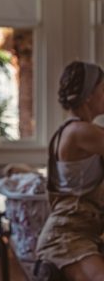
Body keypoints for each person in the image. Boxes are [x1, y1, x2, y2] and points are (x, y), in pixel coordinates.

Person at [36, 61, 104, 281]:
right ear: (89, 95)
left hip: (78, 232)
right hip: (67, 236)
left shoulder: (73, 130)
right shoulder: (79, 132)